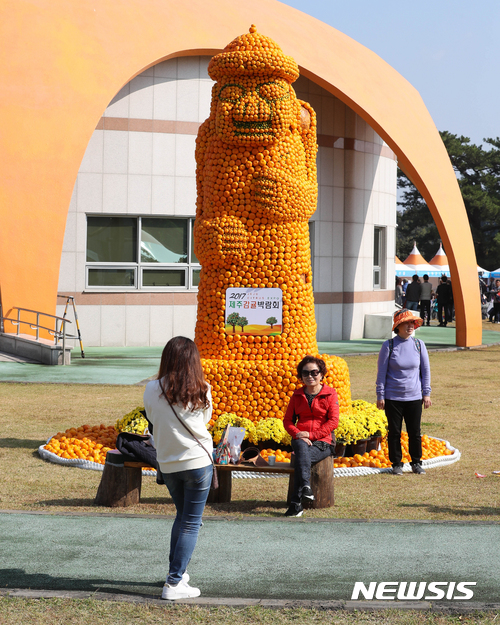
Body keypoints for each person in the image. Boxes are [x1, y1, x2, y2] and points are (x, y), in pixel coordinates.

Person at [143, 336, 213, 601]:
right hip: (198, 463)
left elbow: (151, 417)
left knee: (183, 518)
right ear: (194, 361)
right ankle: (173, 583)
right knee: (191, 523)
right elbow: (204, 421)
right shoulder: (203, 389)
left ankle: (178, 574)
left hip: (168, 464)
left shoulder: (151, 388)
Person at [376, 309, 432, 476]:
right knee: (394, 432)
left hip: (414, 397)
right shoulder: (389, 345)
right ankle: (396, 464)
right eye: (406, 323)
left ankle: (416, 462)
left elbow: (425, 370)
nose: (410, 326)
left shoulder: (419, 344)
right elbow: (381, 373)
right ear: (398, 326)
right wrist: (380, 395)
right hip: (393, 397)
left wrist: (426, 393)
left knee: (415, 431)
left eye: (412, 323)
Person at [283, 356, 339, 517]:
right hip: (301, 440)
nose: (310, 376)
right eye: (305, 373)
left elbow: (333, 422)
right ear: (301, 377)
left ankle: (296, 503)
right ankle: (306, 487)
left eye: (314, 372)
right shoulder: (297, 395)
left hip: (323, 442)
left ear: (322, 374)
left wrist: (312, 435)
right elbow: (288, 421)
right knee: (301, 447)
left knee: (302, 457)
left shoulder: (330, 394)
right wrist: (298, 433)